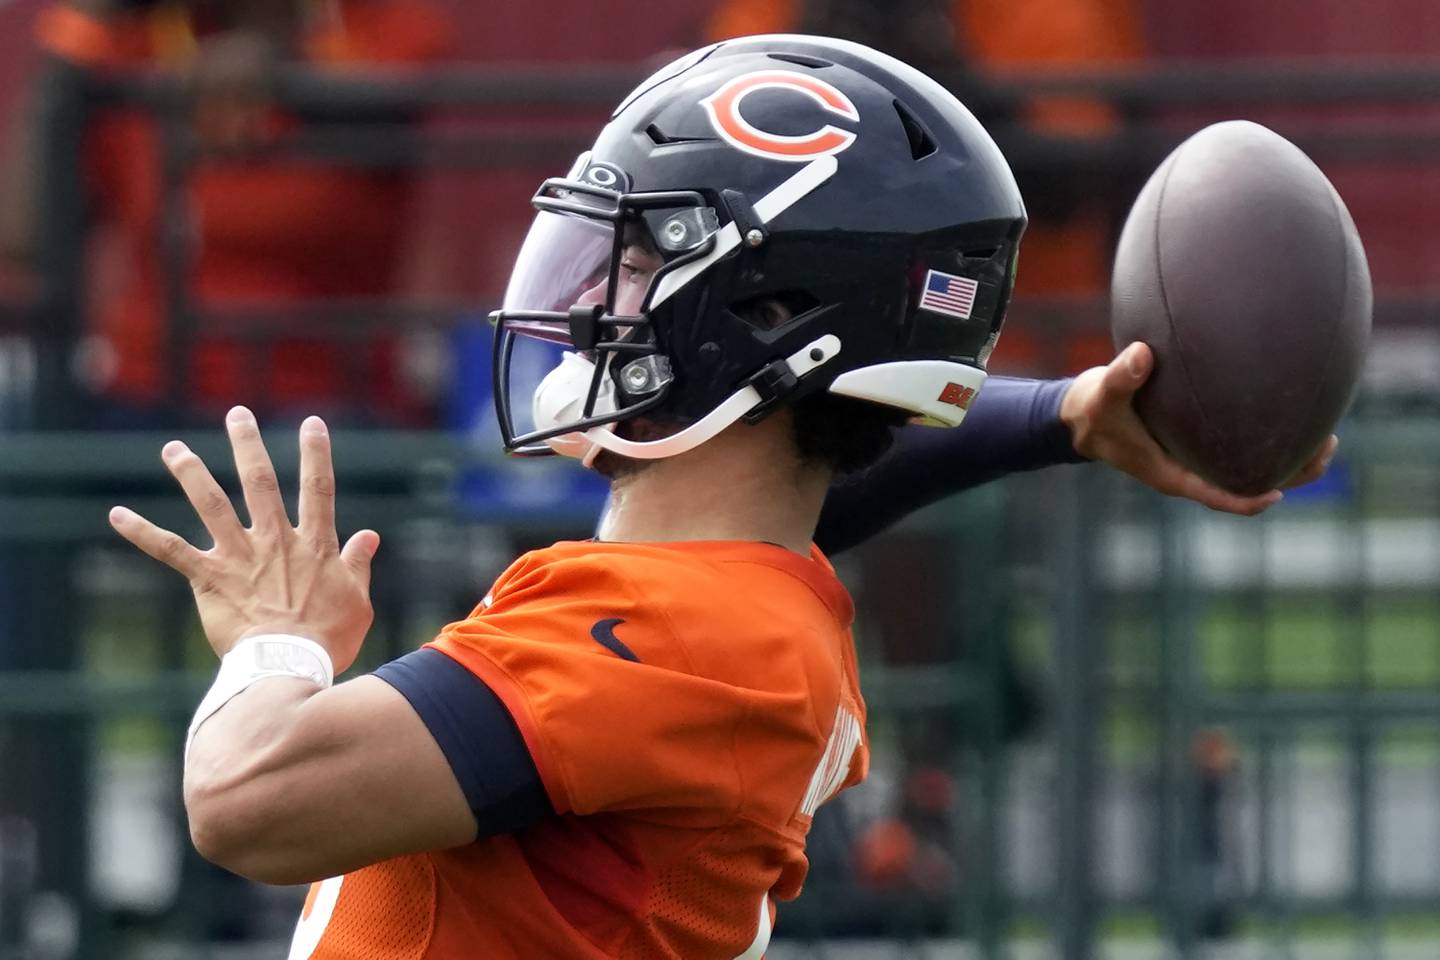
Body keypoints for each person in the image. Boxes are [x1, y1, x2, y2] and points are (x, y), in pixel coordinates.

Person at [109, 35, 1330, 959]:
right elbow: (810, 465)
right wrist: (1055, 416)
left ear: (764, 320)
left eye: (641, 257)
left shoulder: (684, 635)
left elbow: (248, 800)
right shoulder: (735, 593)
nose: (597, 295)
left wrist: (279, 642)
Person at [0, 0, 448, 425]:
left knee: (305, 470)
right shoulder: (134, 41)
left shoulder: (368, 24)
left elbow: (395, 99)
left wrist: (280, 65)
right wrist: (78, 31)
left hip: (322, 401)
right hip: (148, 396)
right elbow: (24, 240)